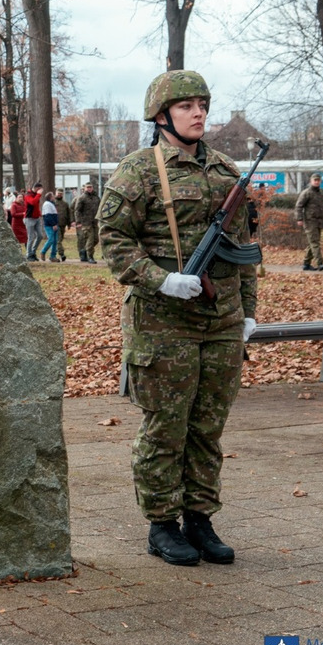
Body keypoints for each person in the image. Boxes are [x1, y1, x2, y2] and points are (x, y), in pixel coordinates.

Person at [98, 69, 257, 567]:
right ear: (162, 115)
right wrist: (161, 279)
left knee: (208, 428)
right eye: (187, 106)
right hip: (162, 322)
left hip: (221, 321)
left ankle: (200, 519)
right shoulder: (139, 170)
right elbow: (114, 241)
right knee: (166, 427)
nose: (198, 113)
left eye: (202, 105)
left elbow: (244, 248)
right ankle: (162, 524)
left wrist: (248, 312)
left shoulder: (227, 169)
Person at [294, 173, 323, 271]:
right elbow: (299, 206)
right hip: (309, 221)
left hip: (319, 221)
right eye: (315, 180)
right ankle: (320, 263)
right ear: (311, 181)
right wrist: (299, 219)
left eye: (318, 180)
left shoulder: (322, 193)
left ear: (320, 181)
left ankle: (306, 264)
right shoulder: (306, 193)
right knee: (314, 242)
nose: (316, 182)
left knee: (312, 243)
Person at [72, 181, 101, 263]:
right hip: (86, 222)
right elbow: (77, 210)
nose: (89, 189)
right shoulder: (82, 198)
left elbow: (100, 208)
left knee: (96, 239)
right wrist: (78, 222)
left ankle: (84, 250)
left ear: (92, 188)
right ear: (85, 188)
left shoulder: (96, 198)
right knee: (90, 239)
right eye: (87, 187)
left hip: (94, 222)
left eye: (90, 187)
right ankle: (90, 257)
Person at [23, 182, 45, 261]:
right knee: (31, 237)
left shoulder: (36, 195)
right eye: (40, 189)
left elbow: (36, 206)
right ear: (36, 188)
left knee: (40, 236)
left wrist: (39, 213)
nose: (41, 191)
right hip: (29, 218)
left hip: (36, 218)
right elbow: (32, 202)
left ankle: (33, 252)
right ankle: (28, 254)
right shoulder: (28, 195)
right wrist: (38, 194)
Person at [39, 190, 60, 261]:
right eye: (53, 196)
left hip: (54, 224)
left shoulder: (52, 204)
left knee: (55, 241)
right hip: (49, 225)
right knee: (51, 240)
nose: (54, 197)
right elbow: (48, 216)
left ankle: (53, 256)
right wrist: (53, 224)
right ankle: (43, 251)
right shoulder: (47, 204)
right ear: (50, 197)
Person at [53, 188, 73, 261]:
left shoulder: (65, 203)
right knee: (58, 239)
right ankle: (62, 254)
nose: (59, 195)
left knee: (60, 239)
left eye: (61, 193)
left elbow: (68, 214)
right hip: (55, 224)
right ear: (56, 193)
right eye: (58, 193)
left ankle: (54, 252)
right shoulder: (53, 202)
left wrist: (69, 223)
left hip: (63, 224)